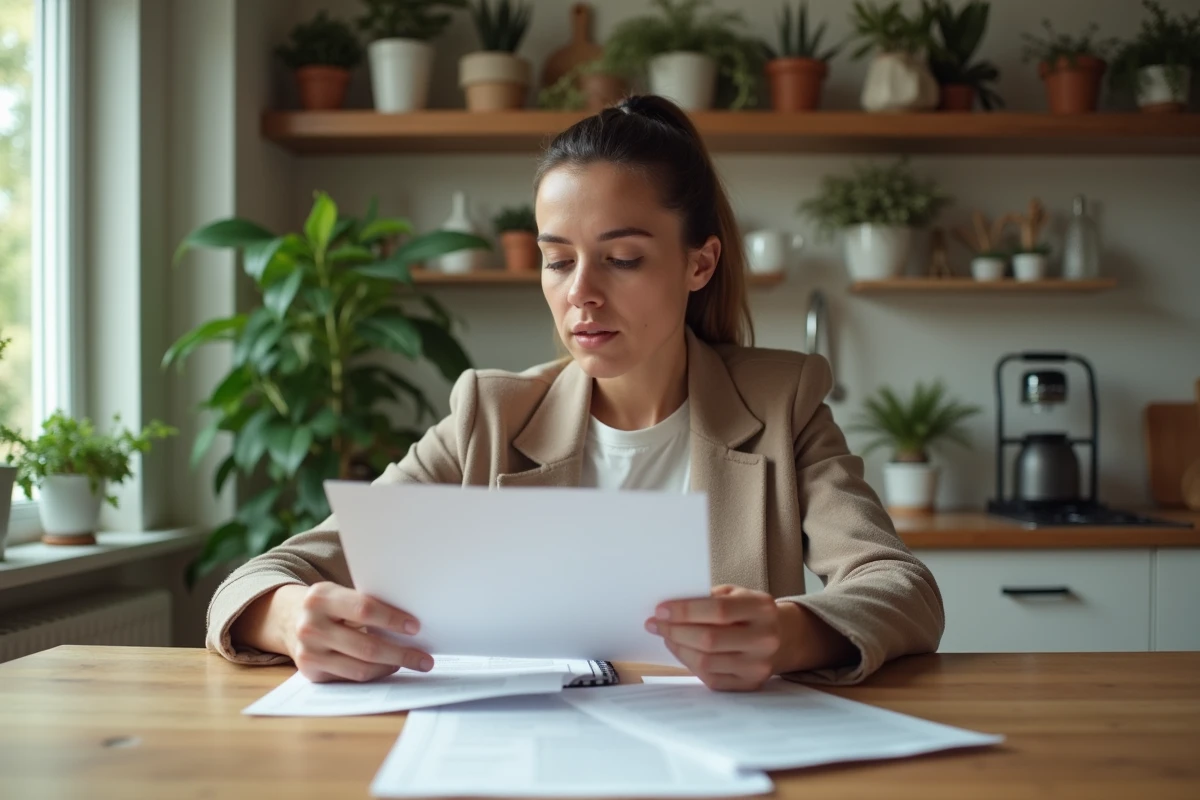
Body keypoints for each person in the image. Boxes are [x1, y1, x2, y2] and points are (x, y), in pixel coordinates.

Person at [207, 95, 944, 692]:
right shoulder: (489, 418)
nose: (581, 294)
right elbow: (263, 577)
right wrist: (288, 616)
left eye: (622, 258)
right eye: (558, 261)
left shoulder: (783, 405)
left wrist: (790, 633)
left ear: (700, 263)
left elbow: (900, 586)